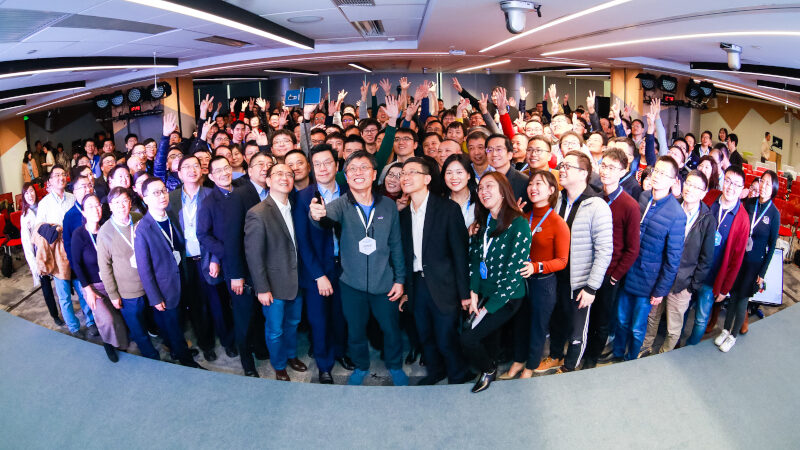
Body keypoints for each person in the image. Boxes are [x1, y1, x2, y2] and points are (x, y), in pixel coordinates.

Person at [309, 150, 408, 386]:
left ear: (374, 174)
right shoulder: (340, 204)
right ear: (346, 175)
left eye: (364, 168)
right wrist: (316, 214)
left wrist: (400, 280)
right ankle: (361, 366)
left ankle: (395, 366)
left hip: (385, 282)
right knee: (355, 331)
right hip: (351, 283)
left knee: (391, 329)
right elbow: (322, 218)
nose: (358, 173)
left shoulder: (388, 206)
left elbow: (396, 245)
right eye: (352, 169)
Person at [536, 151, 612, 374]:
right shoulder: (557, 199)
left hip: (580, 280)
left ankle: (570, 367)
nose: (562, 169)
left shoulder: (597, 205)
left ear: (584, 173)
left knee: (577, 330)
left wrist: (591, 287)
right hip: (556, 275)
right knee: (557, 321)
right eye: (562, 165)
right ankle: (556, 356)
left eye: (568, 166)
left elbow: (605, 250)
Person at [398, 157, 473, 385]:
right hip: (417, 284)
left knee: (446, 336)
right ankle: (436, 371)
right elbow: (402, 256)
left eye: (412, 172)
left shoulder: (447, 209)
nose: (405, 177)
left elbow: (460, 254)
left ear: (427, 179)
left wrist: (464, 293)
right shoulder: (402, 215)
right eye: (403, 173)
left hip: (445, 285)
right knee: (425, 335)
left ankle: (458, 375)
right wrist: (405, 289)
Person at [608, 156, 686, 362]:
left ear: (673, 181)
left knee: (636, 328)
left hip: (648, 282)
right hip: (627, 272)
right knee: (621, 320)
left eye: (664, 174)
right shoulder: (642, 197)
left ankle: (631, 359)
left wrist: (661, 290)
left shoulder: (677, 214)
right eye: (656, 171)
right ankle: (616, 354)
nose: (657, 177)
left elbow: (673, 259)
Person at [460, 172, 531, 393]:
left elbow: (512, 276)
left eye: (490, 186)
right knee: (489, 338)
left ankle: (489, 370)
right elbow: (474, 260)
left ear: (503, 191)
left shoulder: (519, 224)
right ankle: (489, 367)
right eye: (480, 188)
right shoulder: (482, 223)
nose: (484, 192)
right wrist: (473, 292)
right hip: (483, 291)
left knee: (468, 338)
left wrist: (485, 309)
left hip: (507, 296)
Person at [294, 145, 355, 383]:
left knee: (342, 316)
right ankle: (324, 364)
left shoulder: (351, 192)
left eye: (327, 162)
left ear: (337, 166)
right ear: (311, 168)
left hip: (347, 266)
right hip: (317, 268)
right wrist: (318, 275)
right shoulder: (302, 198)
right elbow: (303, 241)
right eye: (317, 164)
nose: (322, 168)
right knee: (319, 319)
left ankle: (341, 352)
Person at [501, 170, 569, 379]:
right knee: (520, 323)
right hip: (521, 280)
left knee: (537, 327)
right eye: (531, 183)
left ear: (551, 190)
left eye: (539, 184)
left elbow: (562, 261)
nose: (533, 187)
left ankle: (530, 366)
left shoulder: (557, 222)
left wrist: (537, 267)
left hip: (543, 283)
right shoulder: (524, 216)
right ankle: (518, 361)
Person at [168, 155, 236, 362]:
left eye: (195, 165)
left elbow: (221, 231)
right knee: (197, 306)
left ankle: (228, 341)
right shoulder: (171, 198)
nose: (191, 170)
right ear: (178, 174)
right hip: (187, 263)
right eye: (186, 167)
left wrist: (216, 258)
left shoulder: (212, 194)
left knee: (220, 304)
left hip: (210, 259)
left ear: (203, 170)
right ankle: (206, 344)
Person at [244, 163, 307, 381]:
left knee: (293, 324)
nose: (285, 177)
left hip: (296, 281)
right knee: (275, 330)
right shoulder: (258, 213)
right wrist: (262, 288)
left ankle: (290, 355)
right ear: (268, 181)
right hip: (272, 286)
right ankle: (279, 365)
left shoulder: (296, 208)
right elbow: (254, 255)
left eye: (289, 174)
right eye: (278, 173)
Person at [641, 170, 715, 354]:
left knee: (674, 327)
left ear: (704, 192)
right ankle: (645, 347)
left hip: (683, 282)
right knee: (652, 316)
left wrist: (691, 285)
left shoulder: (707, 220)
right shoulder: (671, 207)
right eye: (688, 183)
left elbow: (706, 258)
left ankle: (664, 353)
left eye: (696, 187)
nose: (689, 189)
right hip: (660, 275)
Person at [134, 177, 203, 368]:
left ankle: (176, 349)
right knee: (172, 326)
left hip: (180, 280)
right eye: (155, 193)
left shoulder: (170, 215)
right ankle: (186, 361)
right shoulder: (143, 229)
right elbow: (144, 268)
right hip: (163, 288)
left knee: (178, 322)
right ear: (145, 198)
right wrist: (155, 298)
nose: (162, 195)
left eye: (163, 190)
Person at [583, 149, 641, 368]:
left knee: (602, 319)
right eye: (604, 165)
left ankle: (591, 359)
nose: (606, 171)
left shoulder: (630, 205)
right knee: (584, 315)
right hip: (588, 268)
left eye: (613, 167)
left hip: (609, 274)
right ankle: (582, 349)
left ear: (624, 171)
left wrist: (615, 276)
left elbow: (632, 249)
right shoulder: (594, 197)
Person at [716, 170, 779, 352]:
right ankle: (726, 329)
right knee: (733, 294)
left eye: (768, 184)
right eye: (763, 182)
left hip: (754, 264)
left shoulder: (774, 214)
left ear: (773, 188)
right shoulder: (750, 203)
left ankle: (733, 335)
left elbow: (772, 246)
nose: (764, 186)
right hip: (740, 259)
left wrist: (762, 273)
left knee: (743, 299)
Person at [686, 165, 750, 345]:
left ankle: (691, 346)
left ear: (742, 189)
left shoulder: (742, 219)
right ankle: (675, 342)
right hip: (692, 269)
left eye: (736, 185)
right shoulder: (711, 197)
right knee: (683, 309)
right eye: (728, 181)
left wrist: (725, 288)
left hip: (712, 278)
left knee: (700, 318)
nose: (730, 187)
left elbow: (736, 260)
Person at [224, 152, 274, 376]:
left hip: (268, 266)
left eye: (269, 164)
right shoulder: (239, 194)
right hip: (243, 270)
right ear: (249, 170)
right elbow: (231, 237)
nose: (265, 168)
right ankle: (246, 360)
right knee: (244, 316)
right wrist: (236, 273)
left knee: (260, 313)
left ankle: (260, 347)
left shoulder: (275, 192)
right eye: (259, 164)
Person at [97, 187, 161, 361]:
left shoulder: (139, 219)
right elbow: (105, 267)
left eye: (124, 201)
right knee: (138, 328)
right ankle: (151, 356)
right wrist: (113, 294)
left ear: (130, 202)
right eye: (116, 202)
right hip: (128, 291)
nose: (121, 206)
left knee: (157, 320)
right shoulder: (105, 232)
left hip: (150, 284)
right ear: (110, 206)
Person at [36, 166, 97, 338]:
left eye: (63, 174)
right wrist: (52, 230)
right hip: (57, 253)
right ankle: (73, 327)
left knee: (83, 288)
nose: (61, 178)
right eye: (56, 175)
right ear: (49, 182)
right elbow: (38, 228)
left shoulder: (73, 197)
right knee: (64, 295)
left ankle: (91, 322)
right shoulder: (44, 203)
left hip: (77, 249)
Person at [71, 195, 129, 362]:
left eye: (97, 205)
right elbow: (76, 264)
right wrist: (87, 290)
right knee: (107, 319)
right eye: (90, 206)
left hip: (113, 281)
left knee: (121, 316)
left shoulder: (107, 229)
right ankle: (107, 344)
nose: (95, 209)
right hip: (93, 286)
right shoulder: (79, 234)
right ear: (83, 212)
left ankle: (119, 340)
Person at [20, 182, 63, 326]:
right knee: (46, 287)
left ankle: (66, 308)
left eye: (31, 191)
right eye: (26, 193)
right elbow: (27, 244)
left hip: (54, 248)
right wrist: (34, 266)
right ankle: (54, 314)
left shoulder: (45, 205)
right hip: (40, 255)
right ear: (23, 197)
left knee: (62, 281)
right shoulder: (25, 217)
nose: (30, 195)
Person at [485, 133, 528, 203]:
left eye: (499, 149)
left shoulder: (523, 182)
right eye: (490, 150)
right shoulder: (485, 180)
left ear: (510, 154)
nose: (494, 154)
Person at [441, 154, 478, 228]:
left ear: (468, 175)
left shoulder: (480, 200)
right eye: (449, 173)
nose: (454, 177)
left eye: (459, 172)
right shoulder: (439, 204)